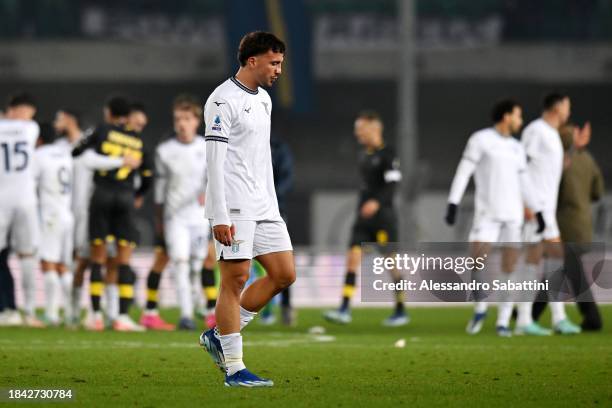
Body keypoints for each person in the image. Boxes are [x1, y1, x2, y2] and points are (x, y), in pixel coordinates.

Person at [199, 31, 296, 387]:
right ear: (252, 61)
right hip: (235, 205)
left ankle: (219, 335)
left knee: (284, 274)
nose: (279, 70)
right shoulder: (222, 101)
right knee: (235, 279)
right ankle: (234, 369)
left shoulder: (265, 100)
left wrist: (270, 201)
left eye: (281, 63)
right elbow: (214, 161)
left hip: (265, 204)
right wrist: (219, 214)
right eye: (274, 62)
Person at [445, 99, 546, 336]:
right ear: (506, 116)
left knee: (509, 267)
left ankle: (502, 320)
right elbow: (464, 171)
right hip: (486, 215)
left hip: (512, 217)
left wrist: (538, 210)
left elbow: (525, 182)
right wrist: (453, 202)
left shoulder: (517, 148)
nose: (520, 121)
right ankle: (480, 307)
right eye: (518, 116)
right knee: (476, 263)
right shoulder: (480, 140)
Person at [72, 96, 152, 331]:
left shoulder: (102, 130)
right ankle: (122, 317)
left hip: (102, 196)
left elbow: (79, 153)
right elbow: (148, 177)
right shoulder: (138, 140)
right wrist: (138, 195)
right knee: (124, 260)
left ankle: (96, 315)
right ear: (127, 117)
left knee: (98, 258)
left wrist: (112, 160)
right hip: (126, 198)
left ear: (109, 113)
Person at [323, 111, 406, 326]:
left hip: (383, 218)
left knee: (391, 263)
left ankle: (400, 310)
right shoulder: (364, 155)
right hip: (363, 219)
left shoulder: (388, 155)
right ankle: (344, 309)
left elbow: (393, 184)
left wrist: (377, 202)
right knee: (352, 259)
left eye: (360, 129)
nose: (357, 133)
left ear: (374, 128)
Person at [54, 108, 130, 326]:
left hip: (101, 212)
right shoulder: (74, 152)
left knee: (110, 260)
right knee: (83, 262)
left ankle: (110, 313)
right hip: (80, 214)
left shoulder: (96, 152)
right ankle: (74, 311)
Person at [145, 94, 210, 331]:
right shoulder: (164, 150)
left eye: (186, 118)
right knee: (180, 263)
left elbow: (218, 179)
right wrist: (160, 220)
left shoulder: (206, 147)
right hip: (176, 218)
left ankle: (199, 306)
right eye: (177, 119)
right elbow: (160, 190)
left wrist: (209, 194)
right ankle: (186, 315)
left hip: (200, 216)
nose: (181, 123)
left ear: (196, 121)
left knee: (196, 265)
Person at [531, 122, 604, 331]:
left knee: (565, 271)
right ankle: (529, 313)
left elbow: (548, 192)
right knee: (562, 271)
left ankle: (592, 319)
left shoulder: (559, 163)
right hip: (582, 226)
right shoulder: (588, 159)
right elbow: (597, 192)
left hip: (562, 227)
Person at [520, 93, 581, 335]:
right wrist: (524, 204)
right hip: (535, 210)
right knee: (531, 265)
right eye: (567, 106)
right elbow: (520, 165)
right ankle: (525, 320)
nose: (569, 111)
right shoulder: (536, 130)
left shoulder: (553, 134)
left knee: (554, 263)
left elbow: (551, 167)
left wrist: (574, 150)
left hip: (547, 211)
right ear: (557, 108)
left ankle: (557, 318)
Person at [0, 92, 42, 327]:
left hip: (2, 199)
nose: (29, 119)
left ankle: (10, 310)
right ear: (16, 110)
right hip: (25, 199)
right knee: (28, 255)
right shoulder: (31, 129)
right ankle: (28, 311)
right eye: (27, 114)